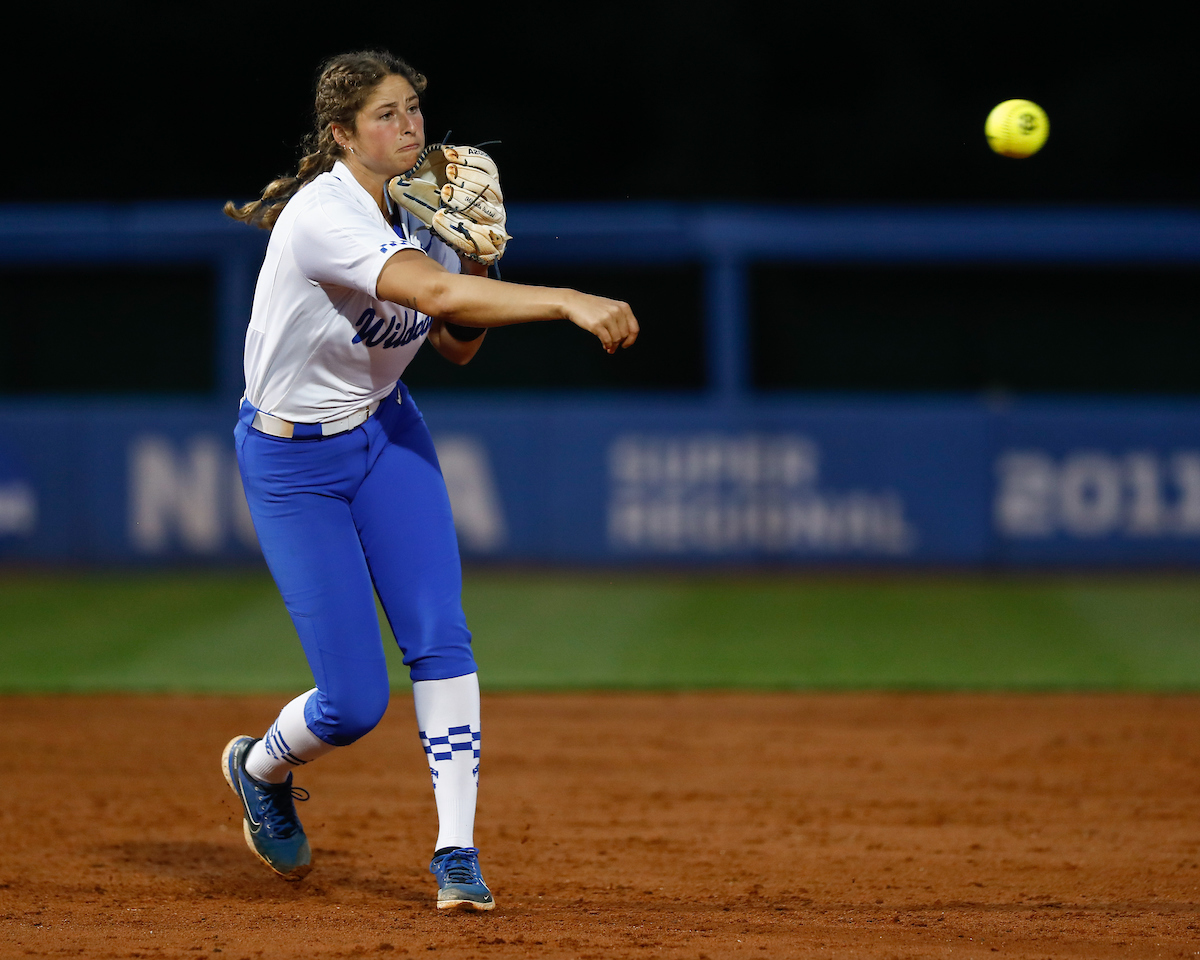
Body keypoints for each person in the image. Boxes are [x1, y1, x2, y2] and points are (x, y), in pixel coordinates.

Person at [220, 50, 638, 911]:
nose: (408, 127)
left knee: (440, 636)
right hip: (294, 461)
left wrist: (477, 258)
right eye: (385, 115)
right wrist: (564, 299)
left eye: (413, 109)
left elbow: (453, 341)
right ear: (342, 135)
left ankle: (456, 850)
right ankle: (256, 766)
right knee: (351, 703)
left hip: (384, 433)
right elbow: (424, 294)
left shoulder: (423, 206)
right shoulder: (324, 214)